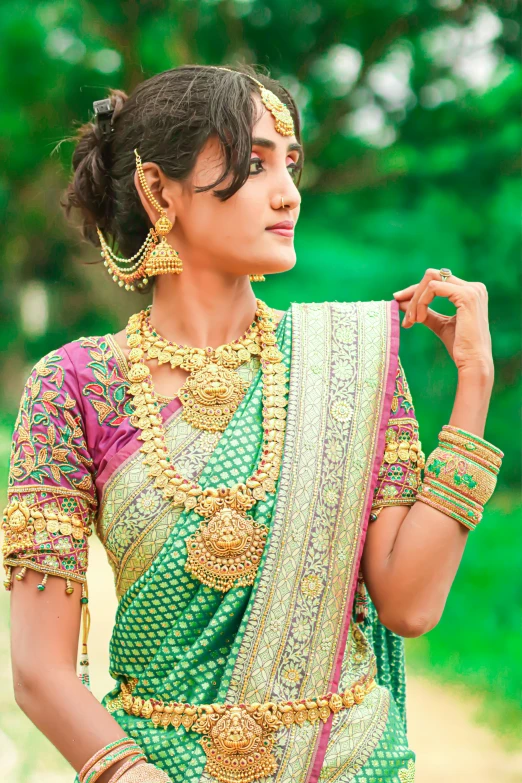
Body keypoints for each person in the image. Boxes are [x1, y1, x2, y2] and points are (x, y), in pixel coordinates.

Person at [2, 64, 503, 783]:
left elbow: (409, 600)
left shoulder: (351, 364)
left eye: (291, 164)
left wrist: (474, 388)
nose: (288, 192)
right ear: (156, 191)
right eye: (255, 161)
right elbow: (40, 671)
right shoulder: (75, 389)